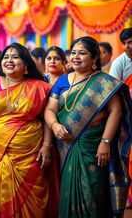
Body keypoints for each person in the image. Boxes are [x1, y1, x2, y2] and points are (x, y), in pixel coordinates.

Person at [44, 36, 132, 217]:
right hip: (65, 146)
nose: (76, 57)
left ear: (94, 59)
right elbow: (50, 109)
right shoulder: (61, 81)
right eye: (73, 52)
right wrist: (54, 126)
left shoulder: (104, 82)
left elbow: (116, 111)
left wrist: (105, 141)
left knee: (93, 192)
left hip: (93, 146)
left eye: (82, 53)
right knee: (68, 191)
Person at [0, 42, 53, 217]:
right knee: (2, 192)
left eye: (15, 57)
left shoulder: (40, 87)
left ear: (26, 65)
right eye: (6, 57)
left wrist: (47, 145)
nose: (9, 60)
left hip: (30, 154)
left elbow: (48, 118)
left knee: (33, 198)